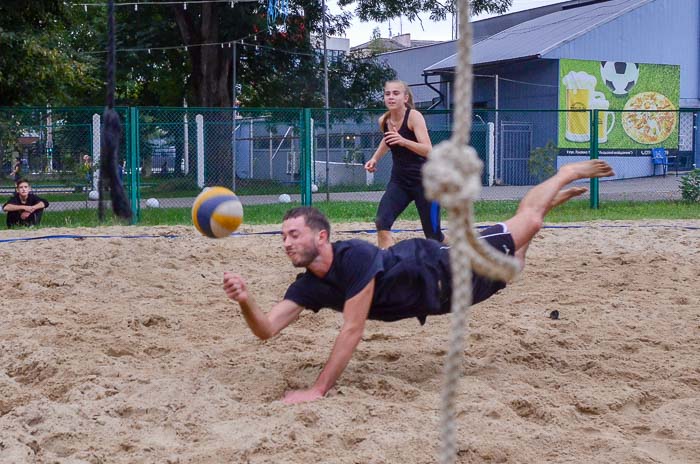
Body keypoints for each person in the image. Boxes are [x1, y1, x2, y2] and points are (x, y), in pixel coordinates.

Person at [223, 159, 615, 405]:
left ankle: (565, 172)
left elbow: (353, 329)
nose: (287, 243)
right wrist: (245, 300)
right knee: (516, 265)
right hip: (443, 299)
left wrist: (318, 389)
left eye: (294, 235)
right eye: (283, 237)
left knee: (529, 222)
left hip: (441, 265)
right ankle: (545, 206)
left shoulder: (353, 255)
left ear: (320, 237)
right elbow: (266, 329)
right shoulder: (308, 286)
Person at [364, 80, 444, 249]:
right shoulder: (384, 120)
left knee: (434, 236)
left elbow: (428, 150)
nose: (391, 97)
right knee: (382, 222)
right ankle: (388, 266)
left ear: (405, 97)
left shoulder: (414, 116)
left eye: (396, 93)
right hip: (400, 181)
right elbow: (388, 139)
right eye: (387, 94)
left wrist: (403, 141)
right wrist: (375, 159)